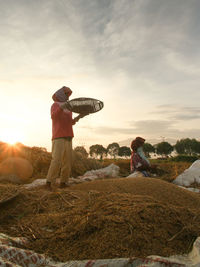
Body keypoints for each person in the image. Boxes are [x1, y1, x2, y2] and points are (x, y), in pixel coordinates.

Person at [46, 86, 86, 190]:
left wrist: (79, 117)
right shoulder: (55, 105)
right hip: (58, 136)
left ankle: (63, 182)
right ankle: (49, 182)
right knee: (56, 160)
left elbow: (70, 122)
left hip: (68, 136)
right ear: (61, 95)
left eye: (68, 95)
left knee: (67, 161)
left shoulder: (69, 108)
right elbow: (54, 116)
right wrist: (62, 107)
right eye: (66, 95)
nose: (68, 97)